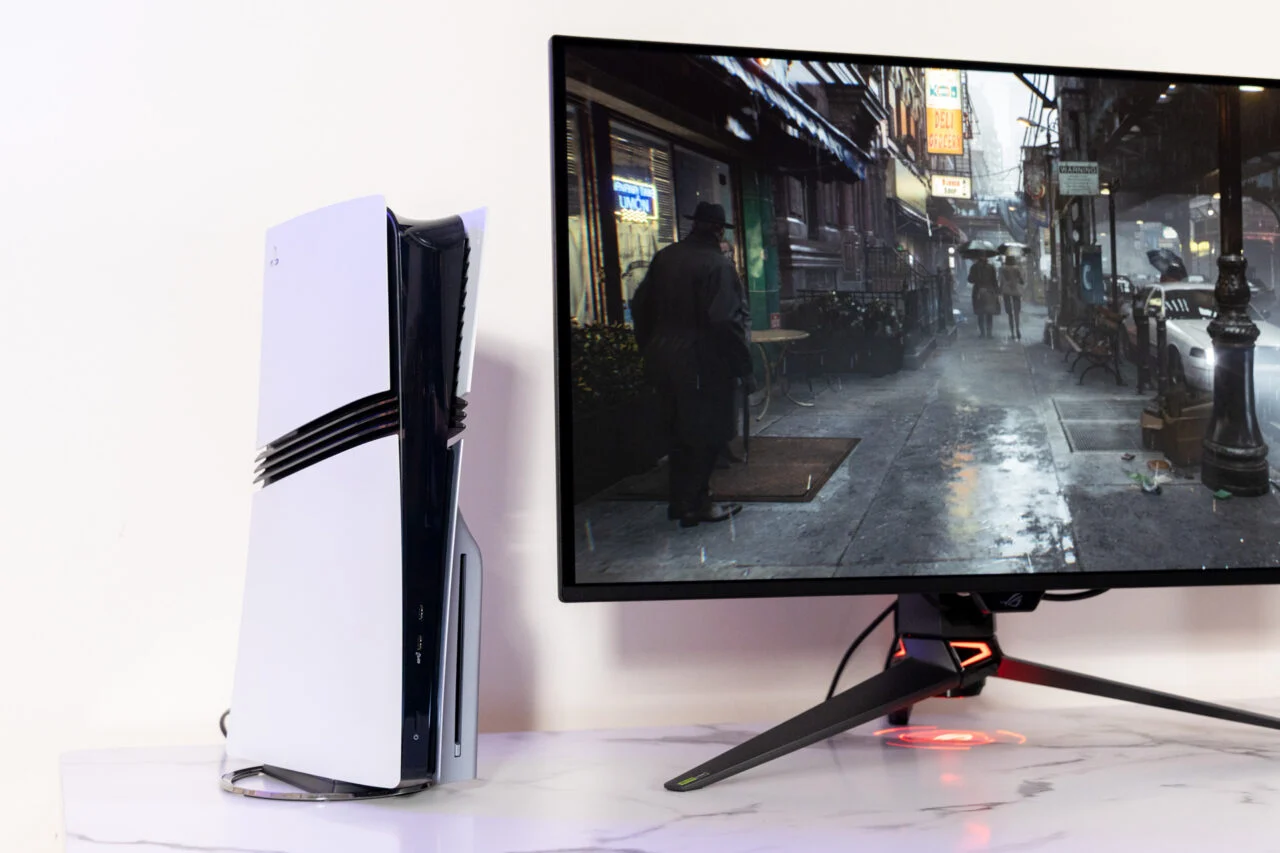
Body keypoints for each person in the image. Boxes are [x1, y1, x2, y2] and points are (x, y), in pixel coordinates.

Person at [631, 202, 752, 528]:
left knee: (678, 434)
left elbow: (640, 306)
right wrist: (743, 365)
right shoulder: (718, 265)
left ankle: (681, 502)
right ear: (718, 231)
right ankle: (696, 503)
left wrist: (651, 346)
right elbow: (725, 321)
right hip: (702, 362)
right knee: (707, 435)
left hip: (664, 360)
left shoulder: (666, 257)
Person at [968, 255, 1001, 338]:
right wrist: (997, 291)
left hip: (978, 292)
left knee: (980, 313)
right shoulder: (991, 267)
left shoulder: (974, 267)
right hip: (989, 291)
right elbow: (994, 280)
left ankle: (983, 333)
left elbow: (970, 279)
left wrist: (976, 279)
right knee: (989, 312)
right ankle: (989, 333)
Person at [999, 255, 1025, 340]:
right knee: (1016, 313)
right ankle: (1017, 328)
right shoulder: (1017, 269)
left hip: (1006, 292)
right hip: (1016, 292)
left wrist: (999, 292)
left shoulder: (1003, 269)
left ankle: (1012, 332)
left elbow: (1001, 281)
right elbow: (1022, 281)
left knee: (1010, 313)